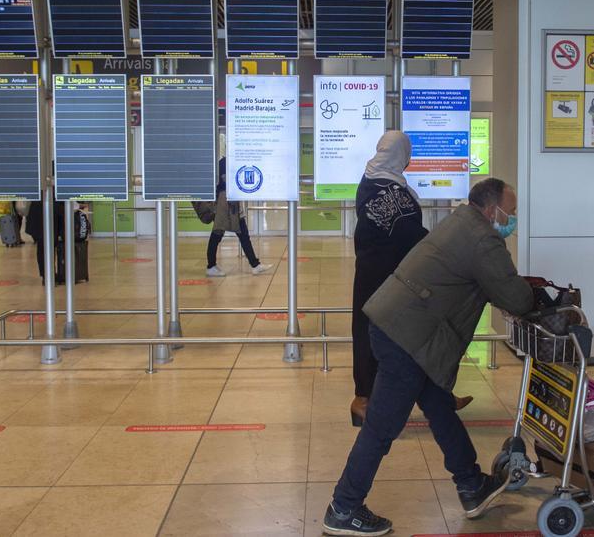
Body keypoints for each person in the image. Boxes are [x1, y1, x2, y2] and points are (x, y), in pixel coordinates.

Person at [323, 178, 534, 537]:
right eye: (510, 213)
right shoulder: (483, 239)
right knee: (381, 428)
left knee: (439, 408)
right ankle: (344, 508)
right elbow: (517, 298)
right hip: (406, 337)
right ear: (491, 210)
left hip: (403, 328)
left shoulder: (460, 220)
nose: (511, 220)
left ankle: (471, 485)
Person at [349, 132, 472, 427]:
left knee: (404, 336)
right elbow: (409, 233)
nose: (410, 158)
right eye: (408, 152)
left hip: (381, 273)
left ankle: (432, 397)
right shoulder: (385, 189)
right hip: (388, 278)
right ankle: (365, 400)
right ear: (400, 154)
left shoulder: (376, 179)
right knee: (403, 335)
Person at [206, 158, 272, 277]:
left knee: (242, 235)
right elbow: (226, 182)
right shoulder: (224, 163)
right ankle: (211, 266)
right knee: (217, 235)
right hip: (225, 206)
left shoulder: (233, 162)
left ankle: (255, 265)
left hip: (232, 206)